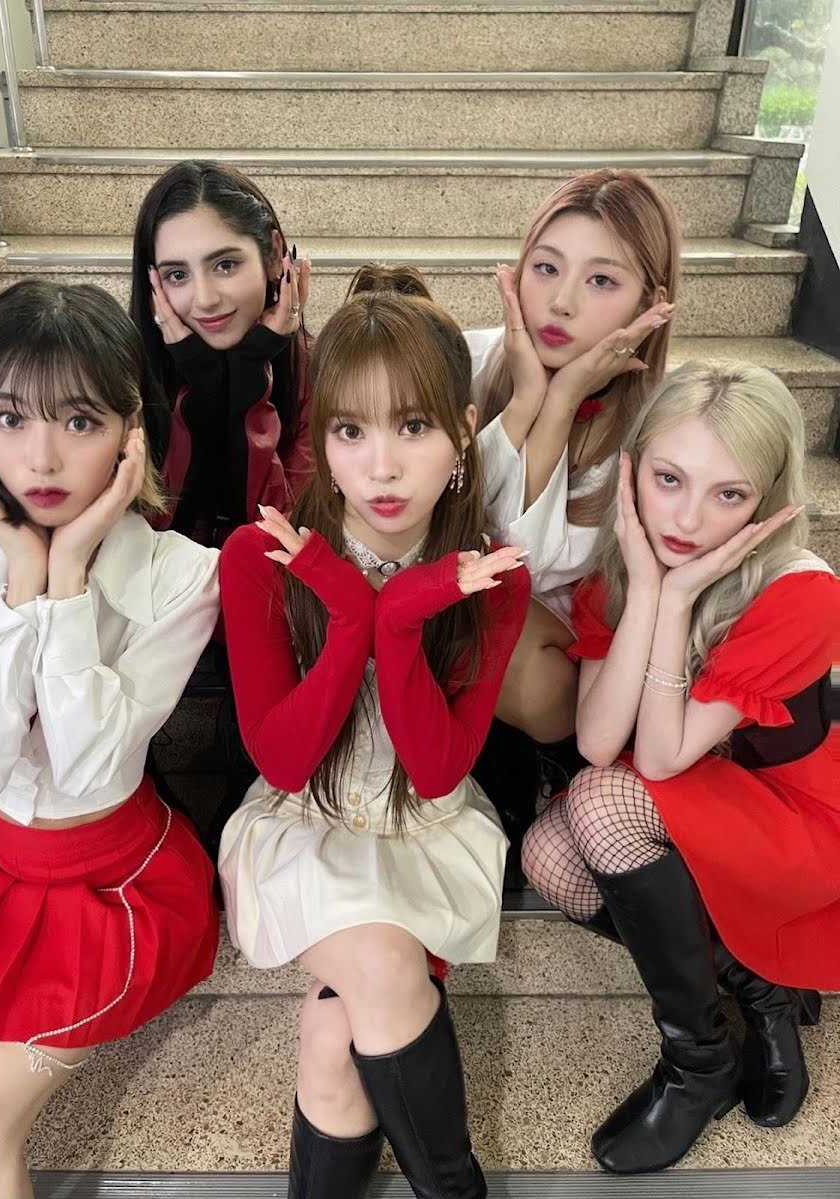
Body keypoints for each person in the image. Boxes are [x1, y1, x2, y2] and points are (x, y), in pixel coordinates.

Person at [0, 280, 221, 1199]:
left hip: (117, 885)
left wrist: (66, 577)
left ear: (132, 432)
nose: (41, 456)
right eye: (10, 417)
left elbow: (87, 762)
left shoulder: (184, 576)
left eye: (79, 420)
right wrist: (19, 580)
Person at [217, 285, 530, 1198]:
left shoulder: (491, 578)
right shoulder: (262, 558)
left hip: (424, 834)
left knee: (330, 1037)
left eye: (415, 426)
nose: (381, 466)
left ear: (464, 431)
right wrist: (352, 616)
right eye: (350, 431)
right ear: (320, 436)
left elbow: (435, 773)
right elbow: (283, 761)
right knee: (386, 969)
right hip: (298, 829)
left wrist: (398, 621)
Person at [521, 359, 839, 1174]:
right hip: (701, 810)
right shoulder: (620, 572)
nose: (689, 518)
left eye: (728, 494)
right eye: (669, 479)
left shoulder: (802, 593)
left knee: (600, 803)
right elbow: (599, 737)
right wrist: (648, 589)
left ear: (767, 500)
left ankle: (694, 1064)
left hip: (798, 828)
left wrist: (680, 594)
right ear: (632, 470)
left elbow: (657, 756)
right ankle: (752, 993)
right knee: (548, 855)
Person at [130, 159, 312, 848]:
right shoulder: (130, 371)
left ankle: (250, 796)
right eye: (176, 274)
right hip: (160, 585)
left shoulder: (313, 367)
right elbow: (149, 529)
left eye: (225, 264)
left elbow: (280, 523)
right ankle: (142, 803)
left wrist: (245, 385)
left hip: (263, 589)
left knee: (263, 571)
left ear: (274, 255)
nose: (203, 298)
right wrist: (205, 387)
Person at [470, 169, 679, 762]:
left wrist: (559, 402)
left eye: (602, 280)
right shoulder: (466, 357)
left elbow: (515, 568)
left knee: (489, 630)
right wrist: (525, 400)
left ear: (651, 304)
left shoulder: (658, 427)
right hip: (454, 609)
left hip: (551, 654)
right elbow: (436, 523)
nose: (562, 302)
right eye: (546, 268)